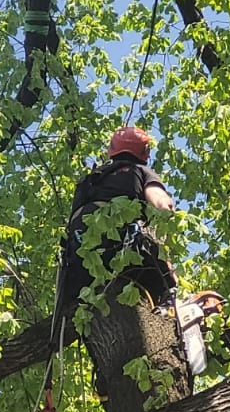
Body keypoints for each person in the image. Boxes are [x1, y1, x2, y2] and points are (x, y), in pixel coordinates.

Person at [61, 126, 178, 313]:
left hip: (80, 258)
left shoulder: (89, 181)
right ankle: (168, 301)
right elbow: (162, 205)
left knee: (81, 308)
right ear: (144, 152)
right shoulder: (140, 171)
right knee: (165, 283)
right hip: (120, 247)